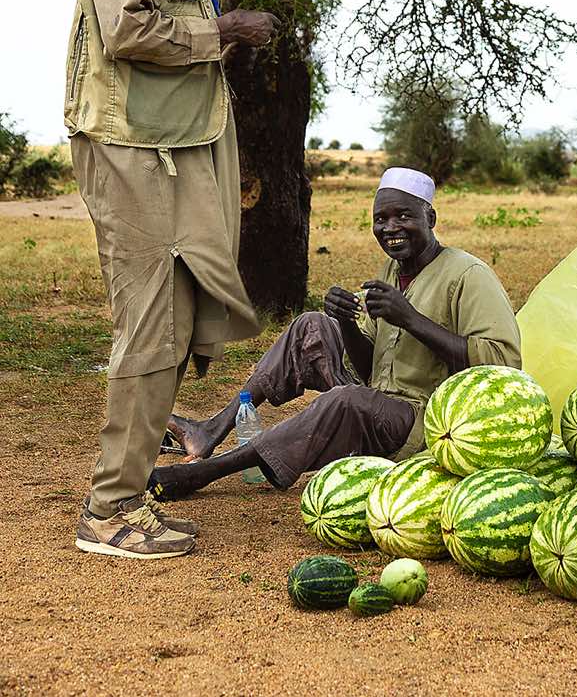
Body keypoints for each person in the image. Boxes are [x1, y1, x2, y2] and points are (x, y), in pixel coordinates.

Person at [66, 0, 280, 559]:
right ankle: (109, 510)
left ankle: (130, 495)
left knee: (180, 312)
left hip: (172, 150)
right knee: (151, 322)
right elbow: (127, 30)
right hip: (131, 151)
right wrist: (221, 29)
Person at [151, 166, 521, 501]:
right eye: (381, 219)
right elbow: (370, 371)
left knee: (347, 400)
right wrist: (344, 322)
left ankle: (203, 473)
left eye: (404, 216)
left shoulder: (468, 275)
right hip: (379, 402)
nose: (390, 228)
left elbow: (504, 364)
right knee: (311, 325)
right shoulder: (395, 271)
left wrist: (410, 319)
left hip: (427, 424)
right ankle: (213, 429)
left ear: (431, 217)